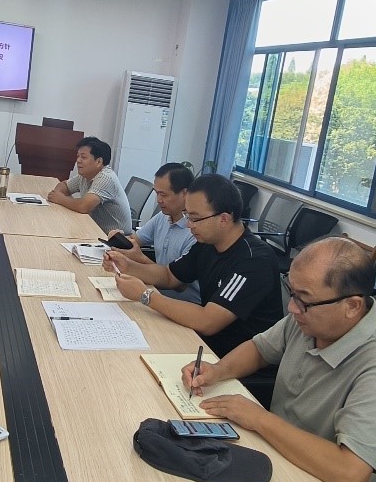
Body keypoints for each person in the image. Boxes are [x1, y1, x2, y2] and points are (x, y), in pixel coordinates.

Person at [172, 236, 376, 482]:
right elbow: (260, 349)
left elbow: (350, 475)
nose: (292, 308)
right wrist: (217, 370)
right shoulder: (311, 320)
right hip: (277, 462)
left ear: (352, 306)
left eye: (304, 300)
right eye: (292, 293)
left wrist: (260, 419)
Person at [105, 174, 282, 358]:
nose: (189, 225)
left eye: (195, 218)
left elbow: (208, 321)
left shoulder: (253, 261)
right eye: (187, 216)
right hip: (201, 343)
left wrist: (145, 295)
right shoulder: (208, 243)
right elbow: (169, 276)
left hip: (230, 358)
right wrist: (127, 266)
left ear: (223, 219)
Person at [104, 162, 199, 303]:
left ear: (185, 194)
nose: (159, 200)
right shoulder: (163, 216)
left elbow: (178, 285)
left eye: (164, 195)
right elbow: (134, 241)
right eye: (157, 193)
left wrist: (139, 258)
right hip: (154, 289)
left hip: (178, 302)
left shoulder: (195, 233)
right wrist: (119, 239)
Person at [45, 136, 132, 234]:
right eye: (78, 156)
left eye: (83, 157)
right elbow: (64, 186)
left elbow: (84, 206)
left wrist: (60, 199)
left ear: (98, 162)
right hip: (95, 230)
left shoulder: (106, 177)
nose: (78, 160)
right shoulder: (86, 174)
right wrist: (57, 194)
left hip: (115, 238)